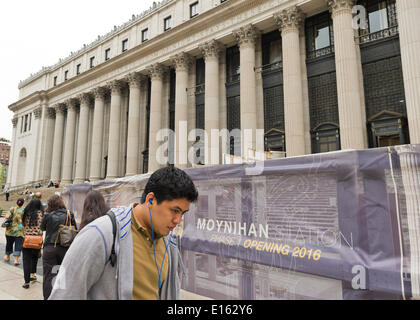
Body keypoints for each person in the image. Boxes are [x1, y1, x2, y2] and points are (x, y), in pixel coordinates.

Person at [49, 166, 198, 300]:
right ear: (151, 200)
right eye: (175, 210)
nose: (178, 220)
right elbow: (64, 294)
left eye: (183, 213)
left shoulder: (169, 244)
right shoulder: (100, 234)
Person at [40, 195, 77, 300]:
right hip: (65, 247)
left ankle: (48, 298)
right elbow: (75, 229)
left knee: (48, 275)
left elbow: (42, 228)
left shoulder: (47, 215)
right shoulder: (69, 214)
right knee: (62, 274)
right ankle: (60, 297)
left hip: (50, 248)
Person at [21, 198, 44, 289]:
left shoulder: (25, 213)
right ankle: (33, 274)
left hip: (27, 239)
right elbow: (43, 226)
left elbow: (23, 224)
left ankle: (26, 282)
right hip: (37, 240)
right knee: (35, 258)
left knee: (26, 260)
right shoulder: (41, 214)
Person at [3, 198, 25, 266]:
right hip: (20, 231)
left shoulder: (12, 208)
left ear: (16, 202)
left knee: (9, 244)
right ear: (23, 203)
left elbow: (6, 216)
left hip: (10, 231)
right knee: (18, 245)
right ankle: (16, 260)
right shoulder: (24, 210)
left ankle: (7, 256)